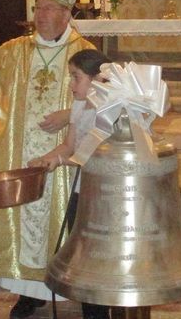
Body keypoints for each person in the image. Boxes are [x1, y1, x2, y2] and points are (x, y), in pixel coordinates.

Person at [0, 0, 95, 317]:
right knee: (26, 224)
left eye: (48, 9)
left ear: (66, 13)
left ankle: (68, 289)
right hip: (23, 155)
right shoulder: (17, 51)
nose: (40, 16)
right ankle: (29, 293)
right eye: (38, 9)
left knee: (65, 225)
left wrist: (70, 112)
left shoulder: (86, 53)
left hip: (63, 159)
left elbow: (105, 97)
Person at [29, 49, 112, 319]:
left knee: (103, 262)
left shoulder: (109, 109)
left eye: (76, 77)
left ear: (97, 80)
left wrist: (60, 163)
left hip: (105, 197)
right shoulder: (78, 106)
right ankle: (92, 313)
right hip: (81, 193)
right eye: (70, 77)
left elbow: (93, 153)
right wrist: (45, 158)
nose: (71, 84)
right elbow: (69, 145)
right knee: (84, 259)